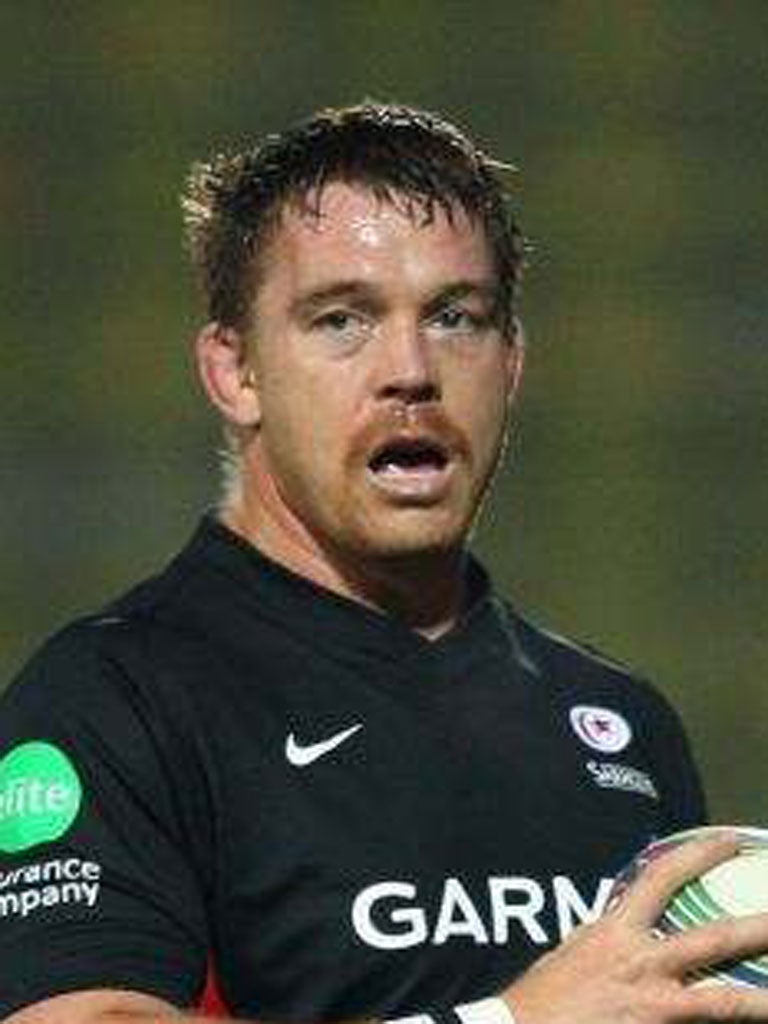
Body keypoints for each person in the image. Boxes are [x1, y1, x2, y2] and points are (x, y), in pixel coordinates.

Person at [1, 102, 768, 1024]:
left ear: (512, 362)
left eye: (456, 317)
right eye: (342, 319)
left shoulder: (624, 727)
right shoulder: (115, 700)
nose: (411, 368)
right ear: (235, 373)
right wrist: (513, 1022)